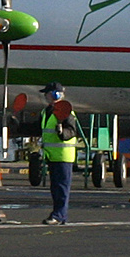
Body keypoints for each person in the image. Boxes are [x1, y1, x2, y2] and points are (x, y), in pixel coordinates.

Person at [39, 81, 79, 224]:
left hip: (63, 155)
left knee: (62, 188)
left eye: (47, 93)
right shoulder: (46, 112)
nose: (45, 96)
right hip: (52, 155)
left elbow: (72, 131)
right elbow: (38, 129)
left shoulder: (66, 112)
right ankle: (58, 214)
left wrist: (63, 132)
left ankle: (59, 215)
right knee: (55, 188)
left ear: (55, 94)